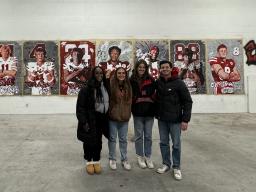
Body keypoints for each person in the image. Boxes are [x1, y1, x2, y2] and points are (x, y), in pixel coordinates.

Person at [155, 60, 193, 180]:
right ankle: (166, 164)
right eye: (162, 68)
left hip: (176, 120)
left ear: (171, 69)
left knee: (176, 144)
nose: (165, 69)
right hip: (162, 119)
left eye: (167, 67)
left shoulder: (179, 83)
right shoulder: (158, 82)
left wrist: (185, 120)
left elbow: (188, 101)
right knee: (163, 143)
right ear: (160, 70)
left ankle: (176, 167)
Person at [76, 66, 109, 175]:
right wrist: (84, 121)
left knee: (98, 141)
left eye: (101, 73)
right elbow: (80, 107)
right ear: (93, 74)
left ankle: (97, 161)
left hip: (101, 119)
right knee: (89, 141)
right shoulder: (87, 88)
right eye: (97, 73)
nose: (99, 75)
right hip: (90, 119)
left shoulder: (105, 86)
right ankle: (89, 162)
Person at [129, 59, 156, 169]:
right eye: (140, 67)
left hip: (149, 112)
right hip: (138, 112)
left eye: (143, 67)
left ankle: (148, 156)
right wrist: (134, 101)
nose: (141, 69)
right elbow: (130, 94)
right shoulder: (131, 80)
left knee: (148, 136)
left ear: (146, 69)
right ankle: (140, 156)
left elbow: (155, 94)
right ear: (136, 67)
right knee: (139, 136)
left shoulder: (151, 79)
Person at [107, 67, 132, 171]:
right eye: (119, 73)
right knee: (112, 139)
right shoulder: (111, 84)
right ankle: (112, 158)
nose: (121, 75)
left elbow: (130, 100)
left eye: (123, 73)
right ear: (116, 74)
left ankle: (124, 159)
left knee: (123, 139)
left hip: (124, 117)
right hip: (113, 117)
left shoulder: (128, 85)